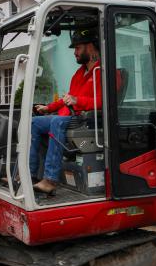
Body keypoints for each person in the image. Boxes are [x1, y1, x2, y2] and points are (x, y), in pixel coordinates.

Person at [30, 28, 102, 195]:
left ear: (90, 47)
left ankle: (50, 179)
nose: (75, 53)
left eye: (77, 48)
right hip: (68, 117)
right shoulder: (79, 73)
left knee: (56, 121)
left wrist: (78, 101)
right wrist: (49, 107)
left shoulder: (103, 72)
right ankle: (31, 174)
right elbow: (67, 98)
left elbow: (103, 102)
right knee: (34, 122)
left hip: (85, 121)